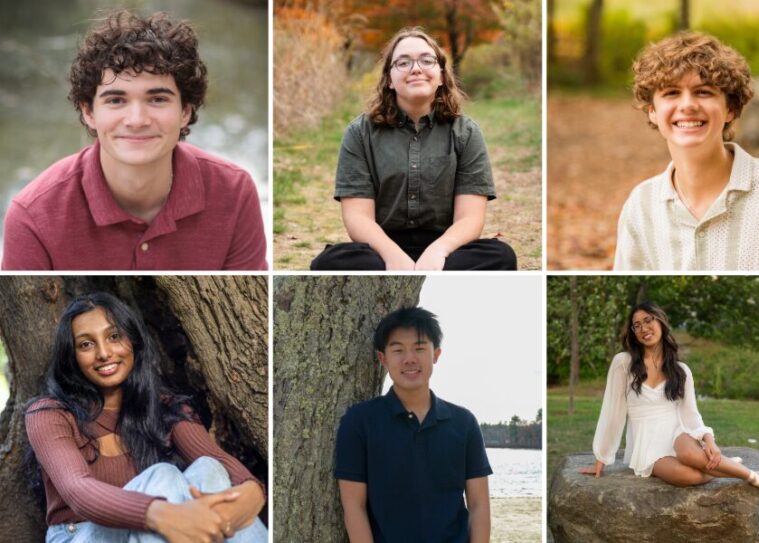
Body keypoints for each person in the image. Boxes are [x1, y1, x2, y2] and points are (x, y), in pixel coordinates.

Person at [3, 10, 267, 271]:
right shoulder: (33, 217)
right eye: (116, 100)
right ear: (89, 112)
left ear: (185, 111)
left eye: (157, 99)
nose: (137, 119)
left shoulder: (235, 194)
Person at [25, 292, 268, 542]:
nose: (104, 353)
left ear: (133, 341)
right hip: (79, 533)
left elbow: (225, 466)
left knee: (209, 468)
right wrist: (161, 513)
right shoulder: (50, 413)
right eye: (86, 344)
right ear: (71, 357)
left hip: (165, 526)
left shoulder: (163, 407)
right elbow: (78, 490)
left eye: (114, 336)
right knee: (162, 475)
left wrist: (250, 495)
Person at [310, 27, 517, 271]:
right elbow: (357, 216)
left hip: (447, 248)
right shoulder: (360, 133)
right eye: (403, 62)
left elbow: (471, 217)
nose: (416, 68)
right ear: (389, 79)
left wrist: (438, 251)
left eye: (427, 60)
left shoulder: (466, 132)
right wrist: (392, 257)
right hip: (381, 248)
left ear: (441, 75)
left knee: (502, 256)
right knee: (329, 262)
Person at [614, 32, 759, 270]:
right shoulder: (641, 205)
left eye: (703, 92)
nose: (687, 105)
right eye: (671, 93)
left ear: (730, 108)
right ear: (653, 112)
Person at [580, 301, 759, 497]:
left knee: (690, 454)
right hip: (646, 442)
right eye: (637, 325)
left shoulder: (681, 370)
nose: (644, 328)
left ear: (661, 322)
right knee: (686, 477)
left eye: (648, 320)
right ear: (633, 333)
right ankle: (727, 467)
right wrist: (602, 457)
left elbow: (690, 414)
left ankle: (756, 478)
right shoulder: (623, 363)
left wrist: (709, 440)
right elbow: (612, 412)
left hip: (677, 431)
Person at [334, 307, 492, 542]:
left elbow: (479, 504)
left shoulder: (464, 423)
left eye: (419, 348)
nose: (409, 359)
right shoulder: (359, 422)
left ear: (436, 354)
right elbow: (353, 507)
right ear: (382, 358)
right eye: (398, 350)